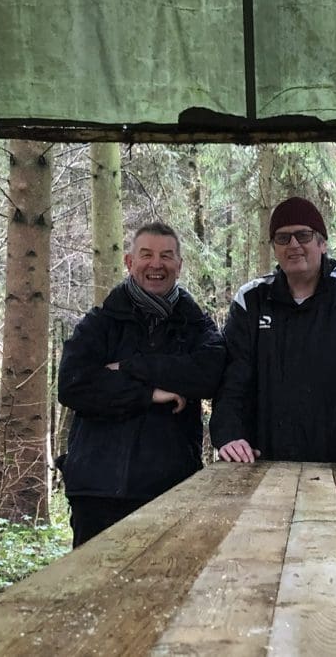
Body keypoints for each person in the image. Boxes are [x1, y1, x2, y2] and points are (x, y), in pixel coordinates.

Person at [57, 222, 225, 547]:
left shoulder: (195, 325)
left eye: (166, 256)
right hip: (96, 491)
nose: (156, 264)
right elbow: (73, 384)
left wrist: (130, 366)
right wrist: (149, 394)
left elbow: (208, 373)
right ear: (130, 262)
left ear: (179, 264)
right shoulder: (100, 324)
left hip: (171, 487)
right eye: (146, 255)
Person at [211, 197, 336, 463]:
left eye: (303, 235)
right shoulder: (251, 300)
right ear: (273, 248)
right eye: (282, 238)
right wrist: (229, 434)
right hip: (263, 461)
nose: (293, 245)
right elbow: (233, 379)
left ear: (322, 243)